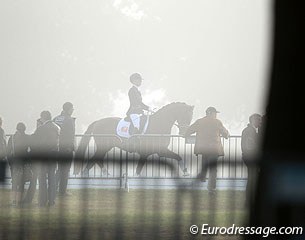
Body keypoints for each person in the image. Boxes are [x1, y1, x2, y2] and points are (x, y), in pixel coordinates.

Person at [184, 107, 229, 195]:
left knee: (204, 167)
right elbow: (224, 132)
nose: (216, 115)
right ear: (210, 113)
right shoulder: (217, 122)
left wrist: (185, 134)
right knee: (213, 169)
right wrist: (227, 135)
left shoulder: (199, 122)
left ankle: (197, 182)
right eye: (215, 113)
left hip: (204, 149)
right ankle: (211, 189)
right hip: (214, 149)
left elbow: (189, 130)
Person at [32, 111, 60, 207]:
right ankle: (52, 201)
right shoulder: (57, 127)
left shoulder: (41, 128)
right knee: (52, 178)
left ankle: (42, 200)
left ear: (42, 117)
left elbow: (35, 141)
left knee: (42, 179)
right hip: (53, 156)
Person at [53, 102, 76, 196]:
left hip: (56, 148)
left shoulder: (55, 118)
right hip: (66, 148)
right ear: (69, 109)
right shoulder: (69, 120)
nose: (73, 110)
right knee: (65, 170)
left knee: (58, 169)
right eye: (72, 108)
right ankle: (63, 191)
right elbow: (71, 135)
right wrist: (72, 147)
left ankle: (53, 188)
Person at [7, 123, 31, 206]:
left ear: (17, 128)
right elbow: (29, 151)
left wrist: (10, 163)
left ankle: (13, 201)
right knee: (21, 183)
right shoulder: (27, 138)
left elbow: (8, 152)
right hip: (24, 163)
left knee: (14, 182)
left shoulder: (12, 138)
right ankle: (19, 201)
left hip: (14, 163)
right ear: (24, 129)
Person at [241, 113, 262, 207]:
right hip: (251, 158)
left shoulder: (249, 130)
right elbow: (250, 146)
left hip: (249, 157)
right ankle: (249, 201)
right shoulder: (250, 131)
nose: (260, 122)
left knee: (252, 179)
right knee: (252, 179)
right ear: (254, 120)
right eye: (259, 120)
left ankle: (249, 201)